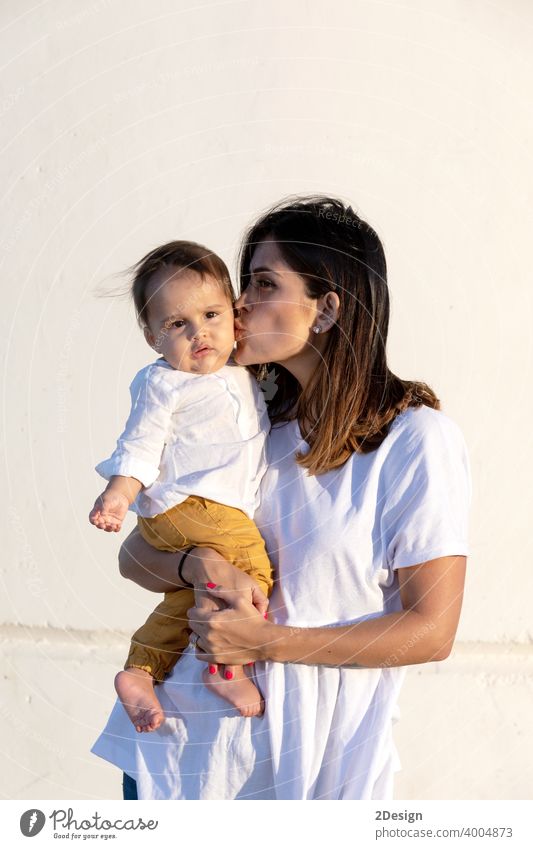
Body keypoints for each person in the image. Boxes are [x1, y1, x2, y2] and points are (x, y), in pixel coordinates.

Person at [92, 196, 471, 800]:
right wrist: (197, 564)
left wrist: (265, 643)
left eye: (264, 283)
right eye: (244, 282)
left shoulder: (414, 440)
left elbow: (431, 632)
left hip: (306, 767)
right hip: (175, 752)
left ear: (326, 309)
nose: (238, 304)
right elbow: (134, 557)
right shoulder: (247, 423)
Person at [89, 241, 273, 730]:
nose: (199, 333)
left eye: (212, 314)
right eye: (177, 325)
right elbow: (140, 445)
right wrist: (119, 494)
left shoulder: (243, 374)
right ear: (153, 337)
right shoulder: (164, 383)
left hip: (211, 512)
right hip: (189, 505)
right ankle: (225, 667)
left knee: (187, 597)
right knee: (252, 571)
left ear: (234, 315)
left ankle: (140, 669)